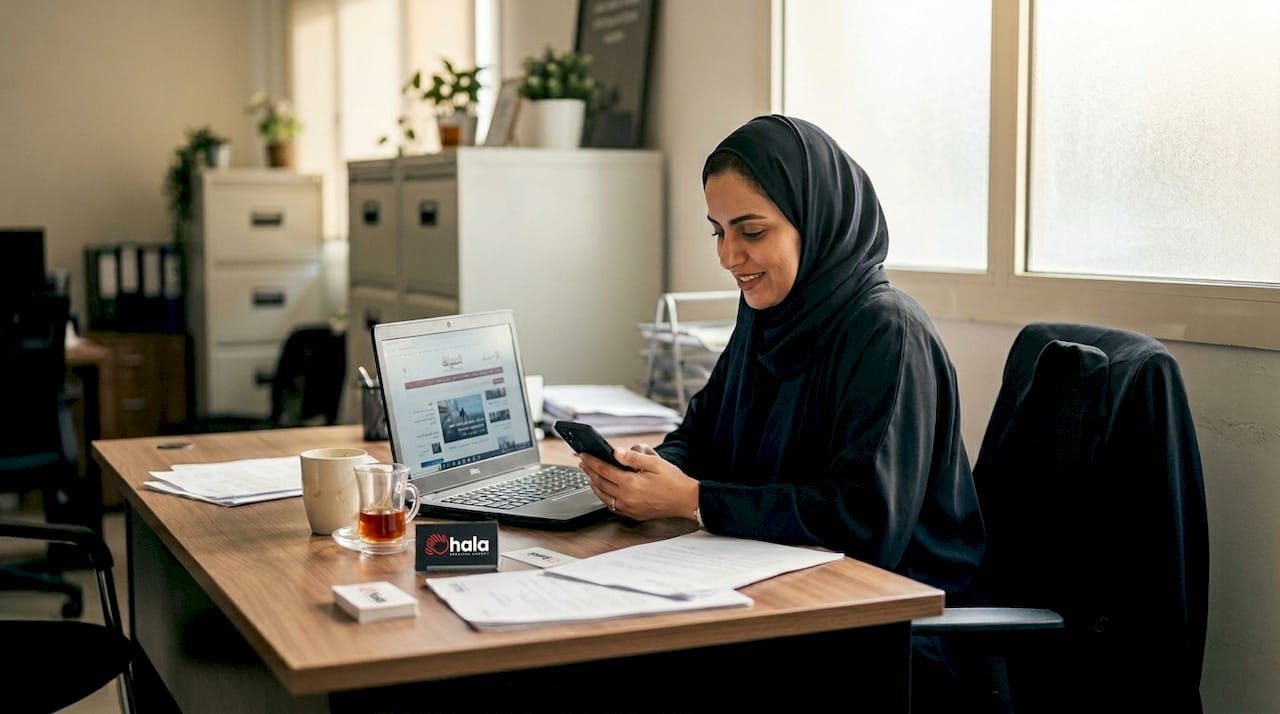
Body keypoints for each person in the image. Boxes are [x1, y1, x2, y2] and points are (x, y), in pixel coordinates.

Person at [577, 114, 988, 706]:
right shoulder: (768, 313)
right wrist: (646, 468)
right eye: (717, 231)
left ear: (813, 222)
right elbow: (704, 432)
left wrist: (692, 500)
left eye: (751, 231)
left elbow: (862, 521)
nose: (728, 256)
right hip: (784, 589)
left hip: (890, 626)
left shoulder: (886, 333)